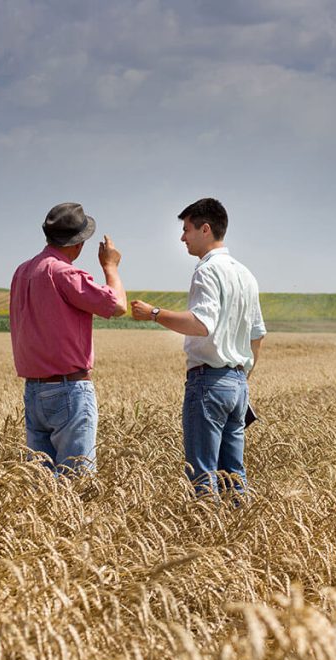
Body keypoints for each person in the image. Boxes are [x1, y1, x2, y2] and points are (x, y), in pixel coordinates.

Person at [130, 198, 266, 499]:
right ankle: (239, 536)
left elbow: (201, 324)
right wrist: (242, 378)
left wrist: (154, 313)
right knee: (234, 476)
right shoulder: (246, 275)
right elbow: (257, 336)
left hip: (208, 382)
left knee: (202, 476)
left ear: (205, 229)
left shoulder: (206, 271)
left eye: (186, 229)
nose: (182, 237)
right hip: (238, 384)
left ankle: (206, 538)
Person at [9, 202, 127, 475]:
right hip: (69, 390)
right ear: (79, 243)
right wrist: (111, 267)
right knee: (77, 483)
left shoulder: (22, 271)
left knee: (42, 486)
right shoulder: (65, 273)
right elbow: (117, 305)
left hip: (33, 391)